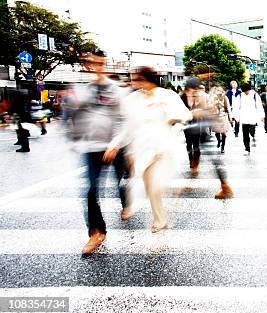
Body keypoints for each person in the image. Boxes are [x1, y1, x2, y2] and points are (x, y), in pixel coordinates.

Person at [106, 66, 192, 234]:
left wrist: (172, 118)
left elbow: (185, 115)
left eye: (137, 79)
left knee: (157, 185)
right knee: (150, 188)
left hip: (163, 147)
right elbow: (125, 125)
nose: (134, 82)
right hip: (142, 150)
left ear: (148, 80)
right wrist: (115, 144)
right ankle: (160, 220)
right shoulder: (132, 100)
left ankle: (166, 199)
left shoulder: (167, 95)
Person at [67, 50, 132, 255]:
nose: (94, 67)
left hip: (114, 147)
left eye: (99, 63)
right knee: (92, 190)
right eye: (90, 64)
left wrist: (114, 144)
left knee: (121, 179)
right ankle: (97, 232)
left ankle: (126, 204)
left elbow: (123, 120)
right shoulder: (83, 91)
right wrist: (76, 138)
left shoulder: (115, 90)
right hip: (92, 147)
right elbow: (75, 118)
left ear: (104, 64)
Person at [180, 77, 211, 177]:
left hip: (197, 123)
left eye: (195, 89)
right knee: (189, 144)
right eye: (191, 89)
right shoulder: (182, 97)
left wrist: (199, 111)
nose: (193, 91)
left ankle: (195, 165)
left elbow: (205, 109)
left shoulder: (200, 97)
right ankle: (191, 161)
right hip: (186, 124)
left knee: (196, 145)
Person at [234, 83, 264, 155]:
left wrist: (261, 115)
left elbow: (259, 106)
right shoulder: (240, 96)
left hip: (253, 116)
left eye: (247, 91)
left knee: (252, 130)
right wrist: (236, 117)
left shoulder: (255, 95)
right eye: (244, 91)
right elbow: (236, 107)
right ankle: (247, 149)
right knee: (245, 134)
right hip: (244, 117)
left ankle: (252, 133)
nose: (246, 92)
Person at [211, 86, 232, 154]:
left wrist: (230, 117)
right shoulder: (213, 98)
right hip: (215, 117)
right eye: (218, 90)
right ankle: (219, 141)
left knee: (224, 133)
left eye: (220, 90)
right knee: (217, 132)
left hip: (223, 116)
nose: (219, 92)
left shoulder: (225, 98)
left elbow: (228, 107)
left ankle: (223, 146)